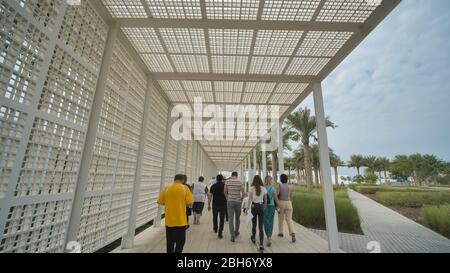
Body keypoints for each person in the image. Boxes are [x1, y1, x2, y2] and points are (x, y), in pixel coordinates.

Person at [157, 174, 194, 253]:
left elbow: (160, 201)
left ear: (174, 179)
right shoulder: (185, 188)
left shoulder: (167, 188)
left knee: (170, 243)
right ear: (183, 180)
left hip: (169, 221)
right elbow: (190, 203)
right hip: (180, 221)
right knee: (180, 242)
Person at [246, 175, 267, 252]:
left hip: (254, 207)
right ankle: (261, 244)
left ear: (254, 180)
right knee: (261, 226)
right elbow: (266, 201)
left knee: (254, 224)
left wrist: (247, 208)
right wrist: (263, 208)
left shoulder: (252, 188)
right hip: (261, 206)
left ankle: (254, 237)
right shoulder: (264, 188)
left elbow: (250, 200)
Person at [224, 171, 244, 242]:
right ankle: (236, 232)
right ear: (237, 175)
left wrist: (227, 198)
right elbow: (243, 191)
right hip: (238, 201)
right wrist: (241, 199)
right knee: (237, 218)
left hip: (230, 201)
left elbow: (225, 191)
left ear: (232, 175)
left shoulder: (227, 181)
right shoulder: (240, 182)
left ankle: (232, 236)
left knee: (230, 219)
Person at [277, 174, 296, 243]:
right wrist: (290, 202)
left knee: (280, 219)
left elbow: (277, 194)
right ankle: (292, 233)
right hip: (289, 203)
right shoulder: (290, 186)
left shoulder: (280, 186)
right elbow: (292, 196)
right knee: (289, 219)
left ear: (281, 179)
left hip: (281, 203)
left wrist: (277, 204)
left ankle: (281, 232)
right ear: (287, 179)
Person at [208, 174, 227, 239]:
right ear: (222, 179)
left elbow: (210, 196)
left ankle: (215, 228)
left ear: (216, 179)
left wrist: (208, 204)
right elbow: (227, 195)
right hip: (223, 204)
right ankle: (220, 232)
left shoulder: (213, 186)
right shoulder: (225, 186)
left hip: (215, 204)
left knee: (215, 217)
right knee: (222, 218)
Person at [263, 176, 277, 247]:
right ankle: (269, 237)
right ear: (271, 180)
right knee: (271, 221)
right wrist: (279, 207)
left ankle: (267, 236)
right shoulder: (273, 188)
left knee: (266, 221)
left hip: (264, 206)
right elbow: (276, 199)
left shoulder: (263, 188)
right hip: (272, 206)